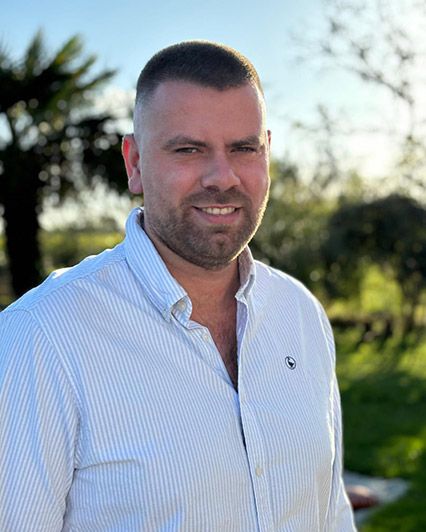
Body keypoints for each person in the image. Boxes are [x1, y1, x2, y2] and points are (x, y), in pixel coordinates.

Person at [0, 41, 356, 531]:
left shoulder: (300, 313)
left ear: (267, 154)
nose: (222, 177)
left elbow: (331, 516)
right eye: (188, 149)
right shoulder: (41, 337)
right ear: (135, 164)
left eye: (244, 148)